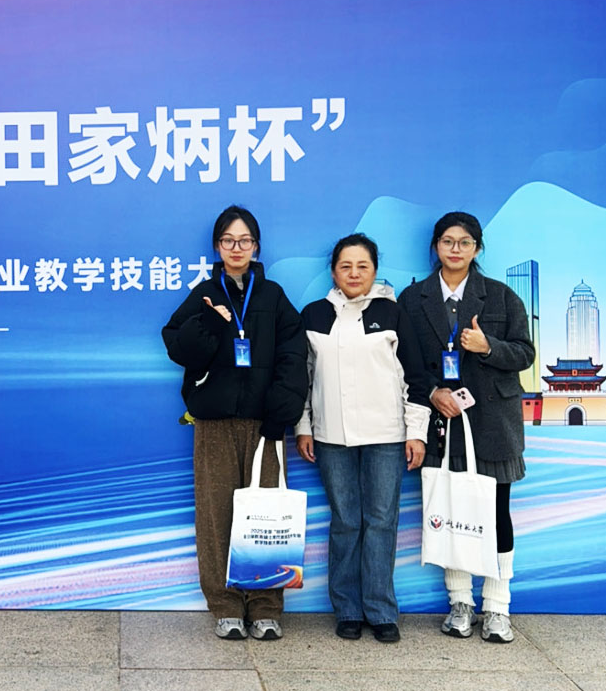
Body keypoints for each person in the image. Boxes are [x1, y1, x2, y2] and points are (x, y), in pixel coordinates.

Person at [162, 205, 308, 641]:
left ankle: (265, 607)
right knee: (215, 514)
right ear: (217, 246)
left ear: (256, 246)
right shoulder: (206, 293)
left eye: (244, 240)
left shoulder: (274, 296)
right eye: (228, 240)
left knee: (266, 516)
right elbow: (179, 348)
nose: (236, 248)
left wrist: (281, 412)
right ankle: (225, 606)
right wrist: (210, 320)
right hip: (214, 423)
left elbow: (293, 355)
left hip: (265, 423)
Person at [396, 211, 534, 643]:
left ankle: (497, 606)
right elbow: (404, 361)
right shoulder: (413, 298)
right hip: (443, 419)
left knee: (496, 513)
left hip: (493, 421)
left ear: (477, 248)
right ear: (435, 246)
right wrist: (433, 391)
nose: (455, 249)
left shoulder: (501, 296)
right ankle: (460, 602)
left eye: (465, 242)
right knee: (449, 510)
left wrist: (488, 346)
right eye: (447, 241)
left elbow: (525, 354)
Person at [294, 234, 430, 643]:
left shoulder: (392, 313)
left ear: (375, 270)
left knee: (381, 521)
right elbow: (303, 378)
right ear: (333, 271)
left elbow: (415, 377)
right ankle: (348, 610)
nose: (354, 274)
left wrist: (416, 433)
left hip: (386, 435)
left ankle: (381, 610)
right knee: (346, 521)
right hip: (331, 437)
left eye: (363, 266)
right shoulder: (314, 315)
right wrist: (304, 426)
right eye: (345, 266)